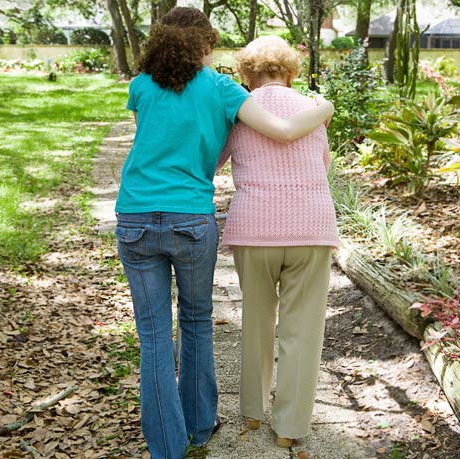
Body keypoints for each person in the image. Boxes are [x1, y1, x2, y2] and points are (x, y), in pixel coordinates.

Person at [114, 8, 333, 459]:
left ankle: (174, 444)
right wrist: (324, 108)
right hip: (206, 219)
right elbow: (299, 143)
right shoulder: (224, 91)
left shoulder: (143, 86)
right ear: (206, 46)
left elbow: (163, 142)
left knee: (156, 334)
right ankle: (218, 427)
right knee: (200, 322)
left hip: (140, 215)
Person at [216, 35, 339, 448]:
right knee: (302, 330)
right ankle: (289, 429)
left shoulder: (239, 112)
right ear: (290, 72)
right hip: (312, 228)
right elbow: (323, 165)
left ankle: (252, 412)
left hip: (255, 229)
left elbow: (213, 161)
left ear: (246, 75)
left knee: (256, 320)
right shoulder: (313, 109)